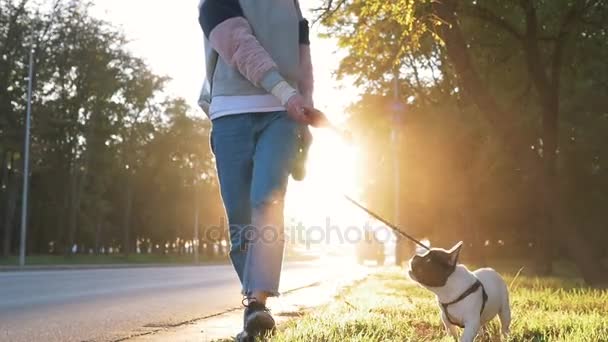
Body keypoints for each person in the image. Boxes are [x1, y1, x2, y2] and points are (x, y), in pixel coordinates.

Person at [197, 0, 315, 339]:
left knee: (267, 201)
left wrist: (303, 112)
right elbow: (238, 43)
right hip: (230, 113)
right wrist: (286, 92)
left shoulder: (292, 5)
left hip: (282, 116)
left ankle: (256, 304)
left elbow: (304, 65)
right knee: (240, 217)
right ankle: (255, 303)